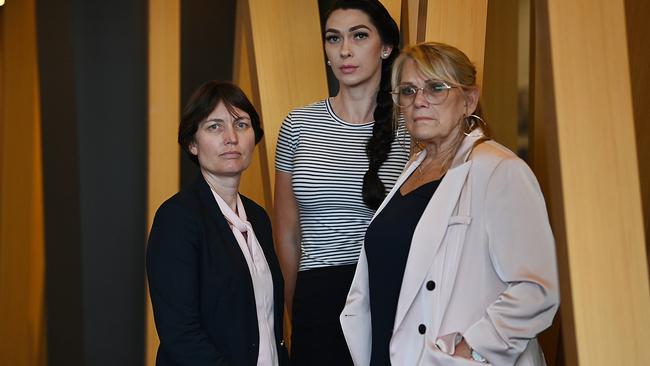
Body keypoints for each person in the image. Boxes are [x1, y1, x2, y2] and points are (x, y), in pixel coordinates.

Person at [340, 42, 560, 365]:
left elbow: (537, 288)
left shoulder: (500, 171)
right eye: (408, 91)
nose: (419, 101)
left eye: (436, 88)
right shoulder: (414, 167)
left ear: (469, 100)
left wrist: (470, 348)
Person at [274, 0, 410, 364]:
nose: (344, 50)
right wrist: (294, 305)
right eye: (334, 38)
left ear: (385, 47)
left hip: (389, 291)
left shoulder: (411, 128)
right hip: (316, 296)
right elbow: (287, 233)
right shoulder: (298, 125)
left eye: (359, 36)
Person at [147, 81, 288, 366]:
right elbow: (180, 334)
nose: (231, 137)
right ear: (192, 143)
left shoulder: (257, 217)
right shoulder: (177, 219)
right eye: (214, 126)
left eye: (241, 125)